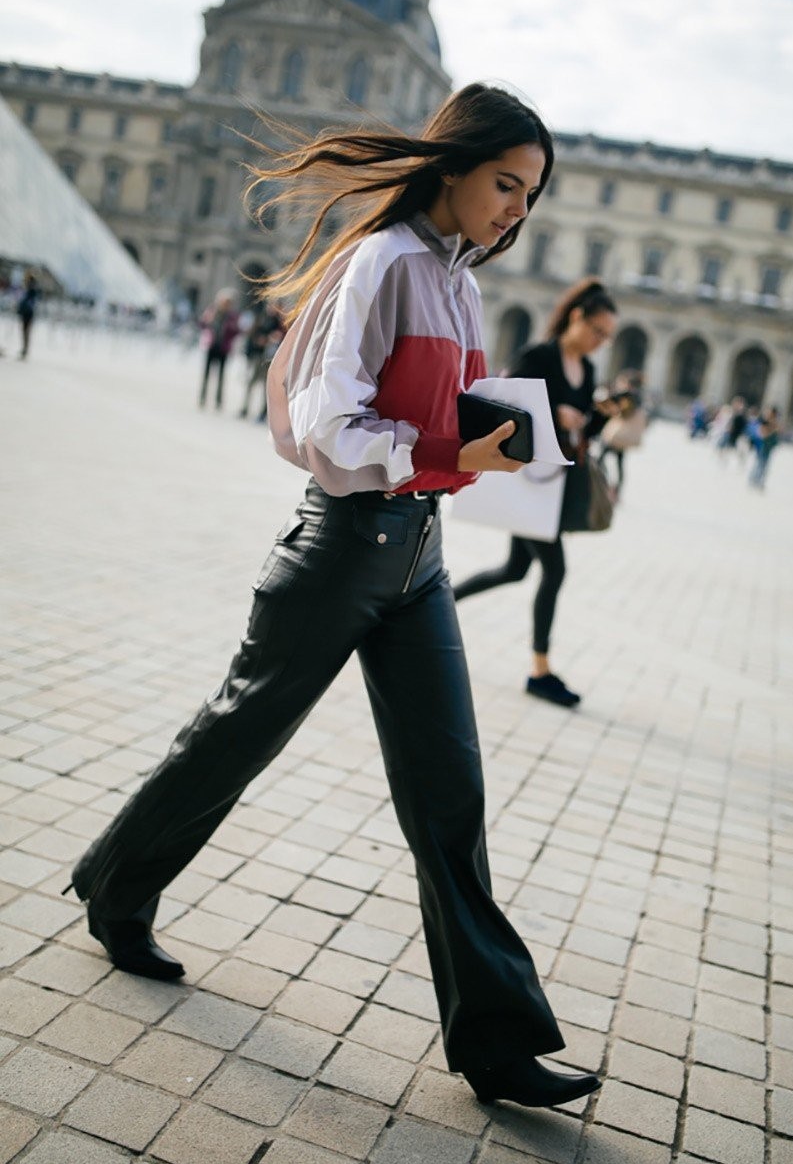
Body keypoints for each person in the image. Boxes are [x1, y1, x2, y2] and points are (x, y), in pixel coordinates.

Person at [64, 83, 600, 1110]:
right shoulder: (382, 262)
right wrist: (449, 444)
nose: (514, 211)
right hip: (342, 549)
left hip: (418, 560)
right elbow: (325, 425)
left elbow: (450, 420)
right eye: (505, 184)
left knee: (450, 796)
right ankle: (117, 886)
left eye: (528, 196)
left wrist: (511, 442)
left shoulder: (458, 279)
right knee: (236, 734)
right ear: (451, 165)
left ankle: (494, 1041)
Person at [453, 278, 617, 708]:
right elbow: (505, 410)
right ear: (576, 317)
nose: (601, 342)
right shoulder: (539, 356)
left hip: (551, 487)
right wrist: (551, 415)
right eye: (598, 331)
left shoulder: (590, 371)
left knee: (515, 569)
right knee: (554, 570)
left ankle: (434, 605)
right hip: (525, 480)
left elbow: (582, 431)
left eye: (607, 337)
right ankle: (540, 671)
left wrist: (597, 416)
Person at [198, 288, 241, 409]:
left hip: (223, 348)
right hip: (211, 346)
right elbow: (202, 324)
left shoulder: (232, 316)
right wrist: (207, 321)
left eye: (228, 302)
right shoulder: (212, 311)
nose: (225, 304)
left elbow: (237, 331)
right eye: (224, 301)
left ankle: (218, 400)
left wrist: (231, 328)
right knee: (206, 374)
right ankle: (202, 397)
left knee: (221, 376)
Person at [239, 305, 283, 420]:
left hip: (269, 358)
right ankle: (245, 408)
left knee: (266, 385)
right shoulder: (261, 318)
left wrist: (269, 340)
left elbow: (281, 338)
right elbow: (252, 335)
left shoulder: (280, 322)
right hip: (258, 355)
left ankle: (263, 412)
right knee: (250, 382)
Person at [748, 405, 782, 489]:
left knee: (764, 464)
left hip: (769, 446)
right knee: (760, 463)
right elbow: (762, 433)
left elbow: (780, 431)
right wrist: (771, 430)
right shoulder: (765, 421)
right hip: (762, 445)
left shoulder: (774, 422)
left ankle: (757, 480)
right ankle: (755, 479)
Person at [17, 270, 40, 360]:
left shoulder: (31, 291)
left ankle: (25, 350)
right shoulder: (29, 290)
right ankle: (24, 350)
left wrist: (23, 308)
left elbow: (30, 303)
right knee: (25, 332)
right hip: (27, 314)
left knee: (26, 332)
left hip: (28, 314)